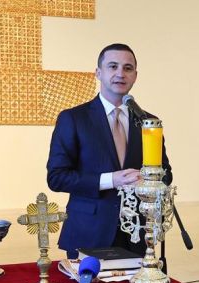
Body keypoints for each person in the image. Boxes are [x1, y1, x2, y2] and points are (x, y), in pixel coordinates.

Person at [47, 43, 172, 258]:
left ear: (135, 76)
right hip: (89, 231)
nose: (120, 74)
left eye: (127, 68)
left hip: (136, 233)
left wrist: (146, 180)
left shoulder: (147, 122)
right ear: (98, 73)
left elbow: (166, 174)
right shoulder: (73, 118)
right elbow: (57, 178)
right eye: (113, 66)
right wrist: (111, 180)